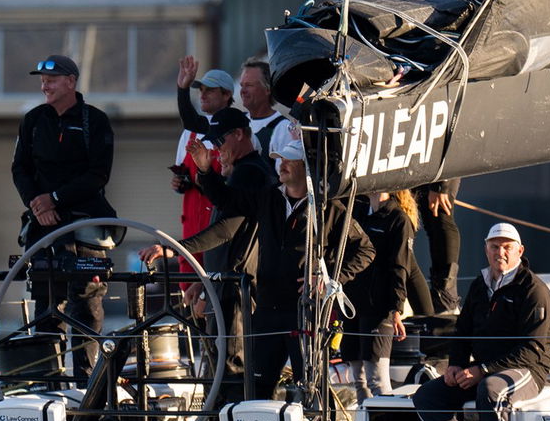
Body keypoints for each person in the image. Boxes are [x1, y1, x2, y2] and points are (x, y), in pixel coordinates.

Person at [183, 126, 372, 400]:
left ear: (305, 167)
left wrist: (331, 278)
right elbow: (227, 200)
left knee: (312, 390)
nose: (281, 165)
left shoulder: (329, 209)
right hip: (267, 310)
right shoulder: (268, 197)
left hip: (305, 311)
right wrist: (205, 172)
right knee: (257, 390)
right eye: (280, 159)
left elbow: (365, 249)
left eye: (288, 160)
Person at [137, 108, 277, 395]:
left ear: (239, 135)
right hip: (226, 284)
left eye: (220, 142)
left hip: (237, 288)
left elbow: (226, 226)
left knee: (231, 366)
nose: (217, 150)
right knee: (221, 364)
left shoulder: (251, 171)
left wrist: (174, 249)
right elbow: (225, 204)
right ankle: (223, 419)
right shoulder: (243, 172)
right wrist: (203, 282)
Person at [411, 222, 550, 421]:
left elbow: (532, 350)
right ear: (486, 249)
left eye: (507, 247)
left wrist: (483, 370)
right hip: (482, 369)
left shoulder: (534, 290)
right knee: (427, 396)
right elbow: (463, 331)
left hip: (528, 370)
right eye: (494, 247)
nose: (500, 252)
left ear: (520, 251)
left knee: (491, 390)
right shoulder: (480, 285)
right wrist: (455, 365)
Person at [12, 53, 116, 380]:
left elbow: (98, 174)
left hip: (85, 227)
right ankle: (47, 381)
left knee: (86, 303)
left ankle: (86, 383)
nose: (45, 86)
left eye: (52, 80)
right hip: (42, 227)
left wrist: (55, 199)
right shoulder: (32, 120)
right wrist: (37, 205)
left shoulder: (94, 121)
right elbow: (20, 169)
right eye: (43, 81)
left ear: (71, 82)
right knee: (46, 304)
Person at [342, 191, 416, 399]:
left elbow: (400, 266)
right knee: (359, 381)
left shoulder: (398, 219)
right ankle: (365, 420)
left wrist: (396, 309)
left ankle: (385, 419)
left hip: (379, 307)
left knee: (377, 381)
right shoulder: (357, 213)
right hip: (352, 303)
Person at [172, 58, 235, 242]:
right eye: (201, 90)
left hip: (221, 229)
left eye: (210, 90)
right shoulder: (189, 133)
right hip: (191, 225)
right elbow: (180, 174)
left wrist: (183, 90)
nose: (203, 95)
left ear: (226, 95)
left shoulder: (236, 128)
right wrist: (180, 184)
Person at [415, 179, 462, 313]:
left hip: (441, 172)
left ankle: (446, 297)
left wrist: (441, 186)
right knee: (431, 224)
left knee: (440, 217)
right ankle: (439, 297)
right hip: (415, 172)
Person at [238, 58, 289, 158]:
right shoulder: (238, 122)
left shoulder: (283, 128)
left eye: (249, 85)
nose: (243, 91)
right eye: (242, 85)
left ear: (267, 89)